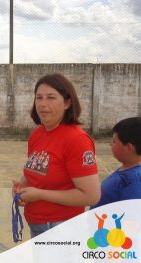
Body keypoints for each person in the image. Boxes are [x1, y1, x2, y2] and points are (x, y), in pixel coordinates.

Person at [12, 73, 100, 238]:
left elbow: (91, 195)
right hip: (38, 224)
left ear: (67, 102)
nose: (42, 104)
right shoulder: (37, 134)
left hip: (62, 228)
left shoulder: (77, 140)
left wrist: (38, 194)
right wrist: (21, 188)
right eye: (39, 97)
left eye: (51, 97)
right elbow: (34, 171)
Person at [91, 117, 141, 208]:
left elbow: (131, 216)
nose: (111, 144)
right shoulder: (126, 170)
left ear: (128, 147)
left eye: (114, 141)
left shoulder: (133, 181)